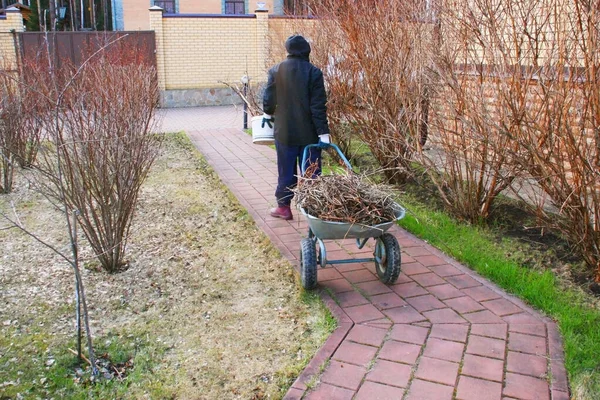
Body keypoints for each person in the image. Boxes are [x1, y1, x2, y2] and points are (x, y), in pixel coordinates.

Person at [262, 34, 331, 221]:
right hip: (309, 133)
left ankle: (284, 208)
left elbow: (268, 100)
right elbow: (318, 106)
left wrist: (267, 114)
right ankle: (314, 211)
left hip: (284, 132)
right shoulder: (314, 72)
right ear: (307, 50)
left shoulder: (276, 70)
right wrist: (323, 133)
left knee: (286, 169)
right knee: (311, 171)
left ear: (288, 50)